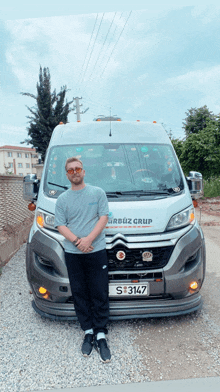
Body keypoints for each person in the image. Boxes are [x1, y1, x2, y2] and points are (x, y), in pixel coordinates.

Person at [54, 157, 111, 363]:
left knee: (99, 291)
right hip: (74, 253)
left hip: (97, 251)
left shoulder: (98, 193)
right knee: (79, 292)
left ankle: (101, 334)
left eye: (77, 168)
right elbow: (61, 225)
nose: (75, 172)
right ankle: (88, 331)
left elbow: (103, 217)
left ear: (84, 172)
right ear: (67, 174)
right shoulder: (62, 199)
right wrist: (79, 242)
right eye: (70, 170)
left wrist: (89, 239)